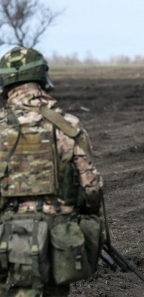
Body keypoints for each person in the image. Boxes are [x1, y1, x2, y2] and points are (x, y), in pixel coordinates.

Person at [0, 47, 103, 297]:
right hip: (56, 240)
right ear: (42, 77)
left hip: (6, 239)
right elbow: (92, 188)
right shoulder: (66, 125)